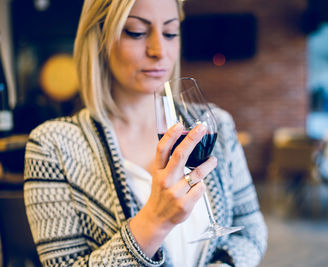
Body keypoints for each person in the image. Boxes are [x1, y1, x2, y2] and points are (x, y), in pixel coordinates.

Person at [23, 0, 267, 266]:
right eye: (137, 32)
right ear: (99, 39)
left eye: (170, 33)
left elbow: (251, 230)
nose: (159, 50)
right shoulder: (53, 146)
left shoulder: (215, 123)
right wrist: (154, 221)